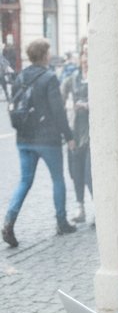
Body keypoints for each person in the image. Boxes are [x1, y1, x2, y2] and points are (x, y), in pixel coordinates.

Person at [3, 38, 77, 247]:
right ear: (44, 55)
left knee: (25, 181)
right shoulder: (49, 77)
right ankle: (61, 222)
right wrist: (69, 135)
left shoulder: (21, 76)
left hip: (24, 139)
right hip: (47, 140)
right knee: (57, 179)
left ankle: (9, 221)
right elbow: (58, 111)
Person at [62, 38, 92, 224]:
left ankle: (97, 207)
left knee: (90, 172)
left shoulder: (97, 78)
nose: (86, 58)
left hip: (90, 133)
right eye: (84, 54)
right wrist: (70, 106)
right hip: (75, 131)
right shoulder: (72, 80)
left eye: (89, 54)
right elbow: (60, 101)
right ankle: (80, 207)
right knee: (76, 172)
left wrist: (89, 105)